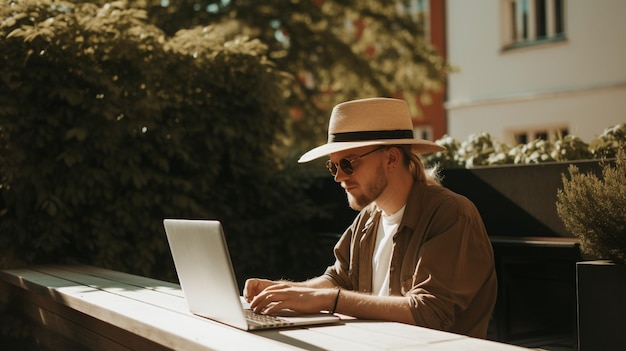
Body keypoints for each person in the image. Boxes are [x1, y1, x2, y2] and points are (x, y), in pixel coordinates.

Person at [244, 97, 497, 338]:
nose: (338, 177)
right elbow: (338, 279)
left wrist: (330, 301)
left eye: (348, 164)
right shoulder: (368, 218)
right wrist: (283, 291)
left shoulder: (451, 214)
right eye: (333, 166)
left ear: (391, 158)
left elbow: (429, 312)